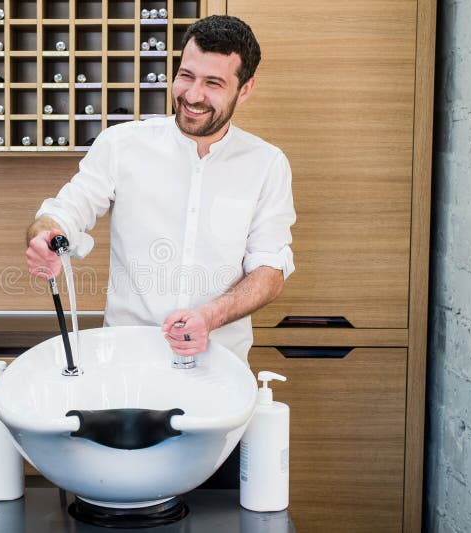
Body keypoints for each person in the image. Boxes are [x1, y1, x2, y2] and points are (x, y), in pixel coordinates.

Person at [25, 15, 296, 364]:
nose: (193, 95)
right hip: (127, 362)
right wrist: (45, 236)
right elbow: (64, 212)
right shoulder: (121, 145)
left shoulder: (267, 164)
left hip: (219, 365)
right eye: (186, 76)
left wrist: (210, 317)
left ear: (245, 90)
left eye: (213, 83)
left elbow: (269, 271)